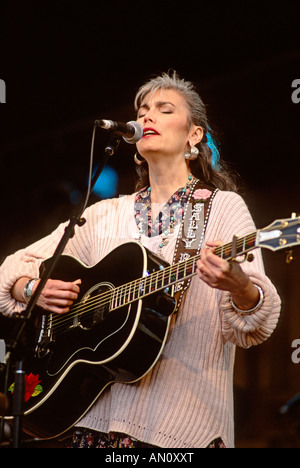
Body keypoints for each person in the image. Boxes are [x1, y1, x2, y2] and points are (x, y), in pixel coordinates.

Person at [0, 71, 281, 448]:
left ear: (193, 135)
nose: (147, 116)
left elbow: (253, 326)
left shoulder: (221, 208)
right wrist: (32, 287)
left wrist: (241, 286)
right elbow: (12, 266)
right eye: (143, 110)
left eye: (164, 110)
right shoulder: (103, 215)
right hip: (96, 428)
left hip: (183, 430)